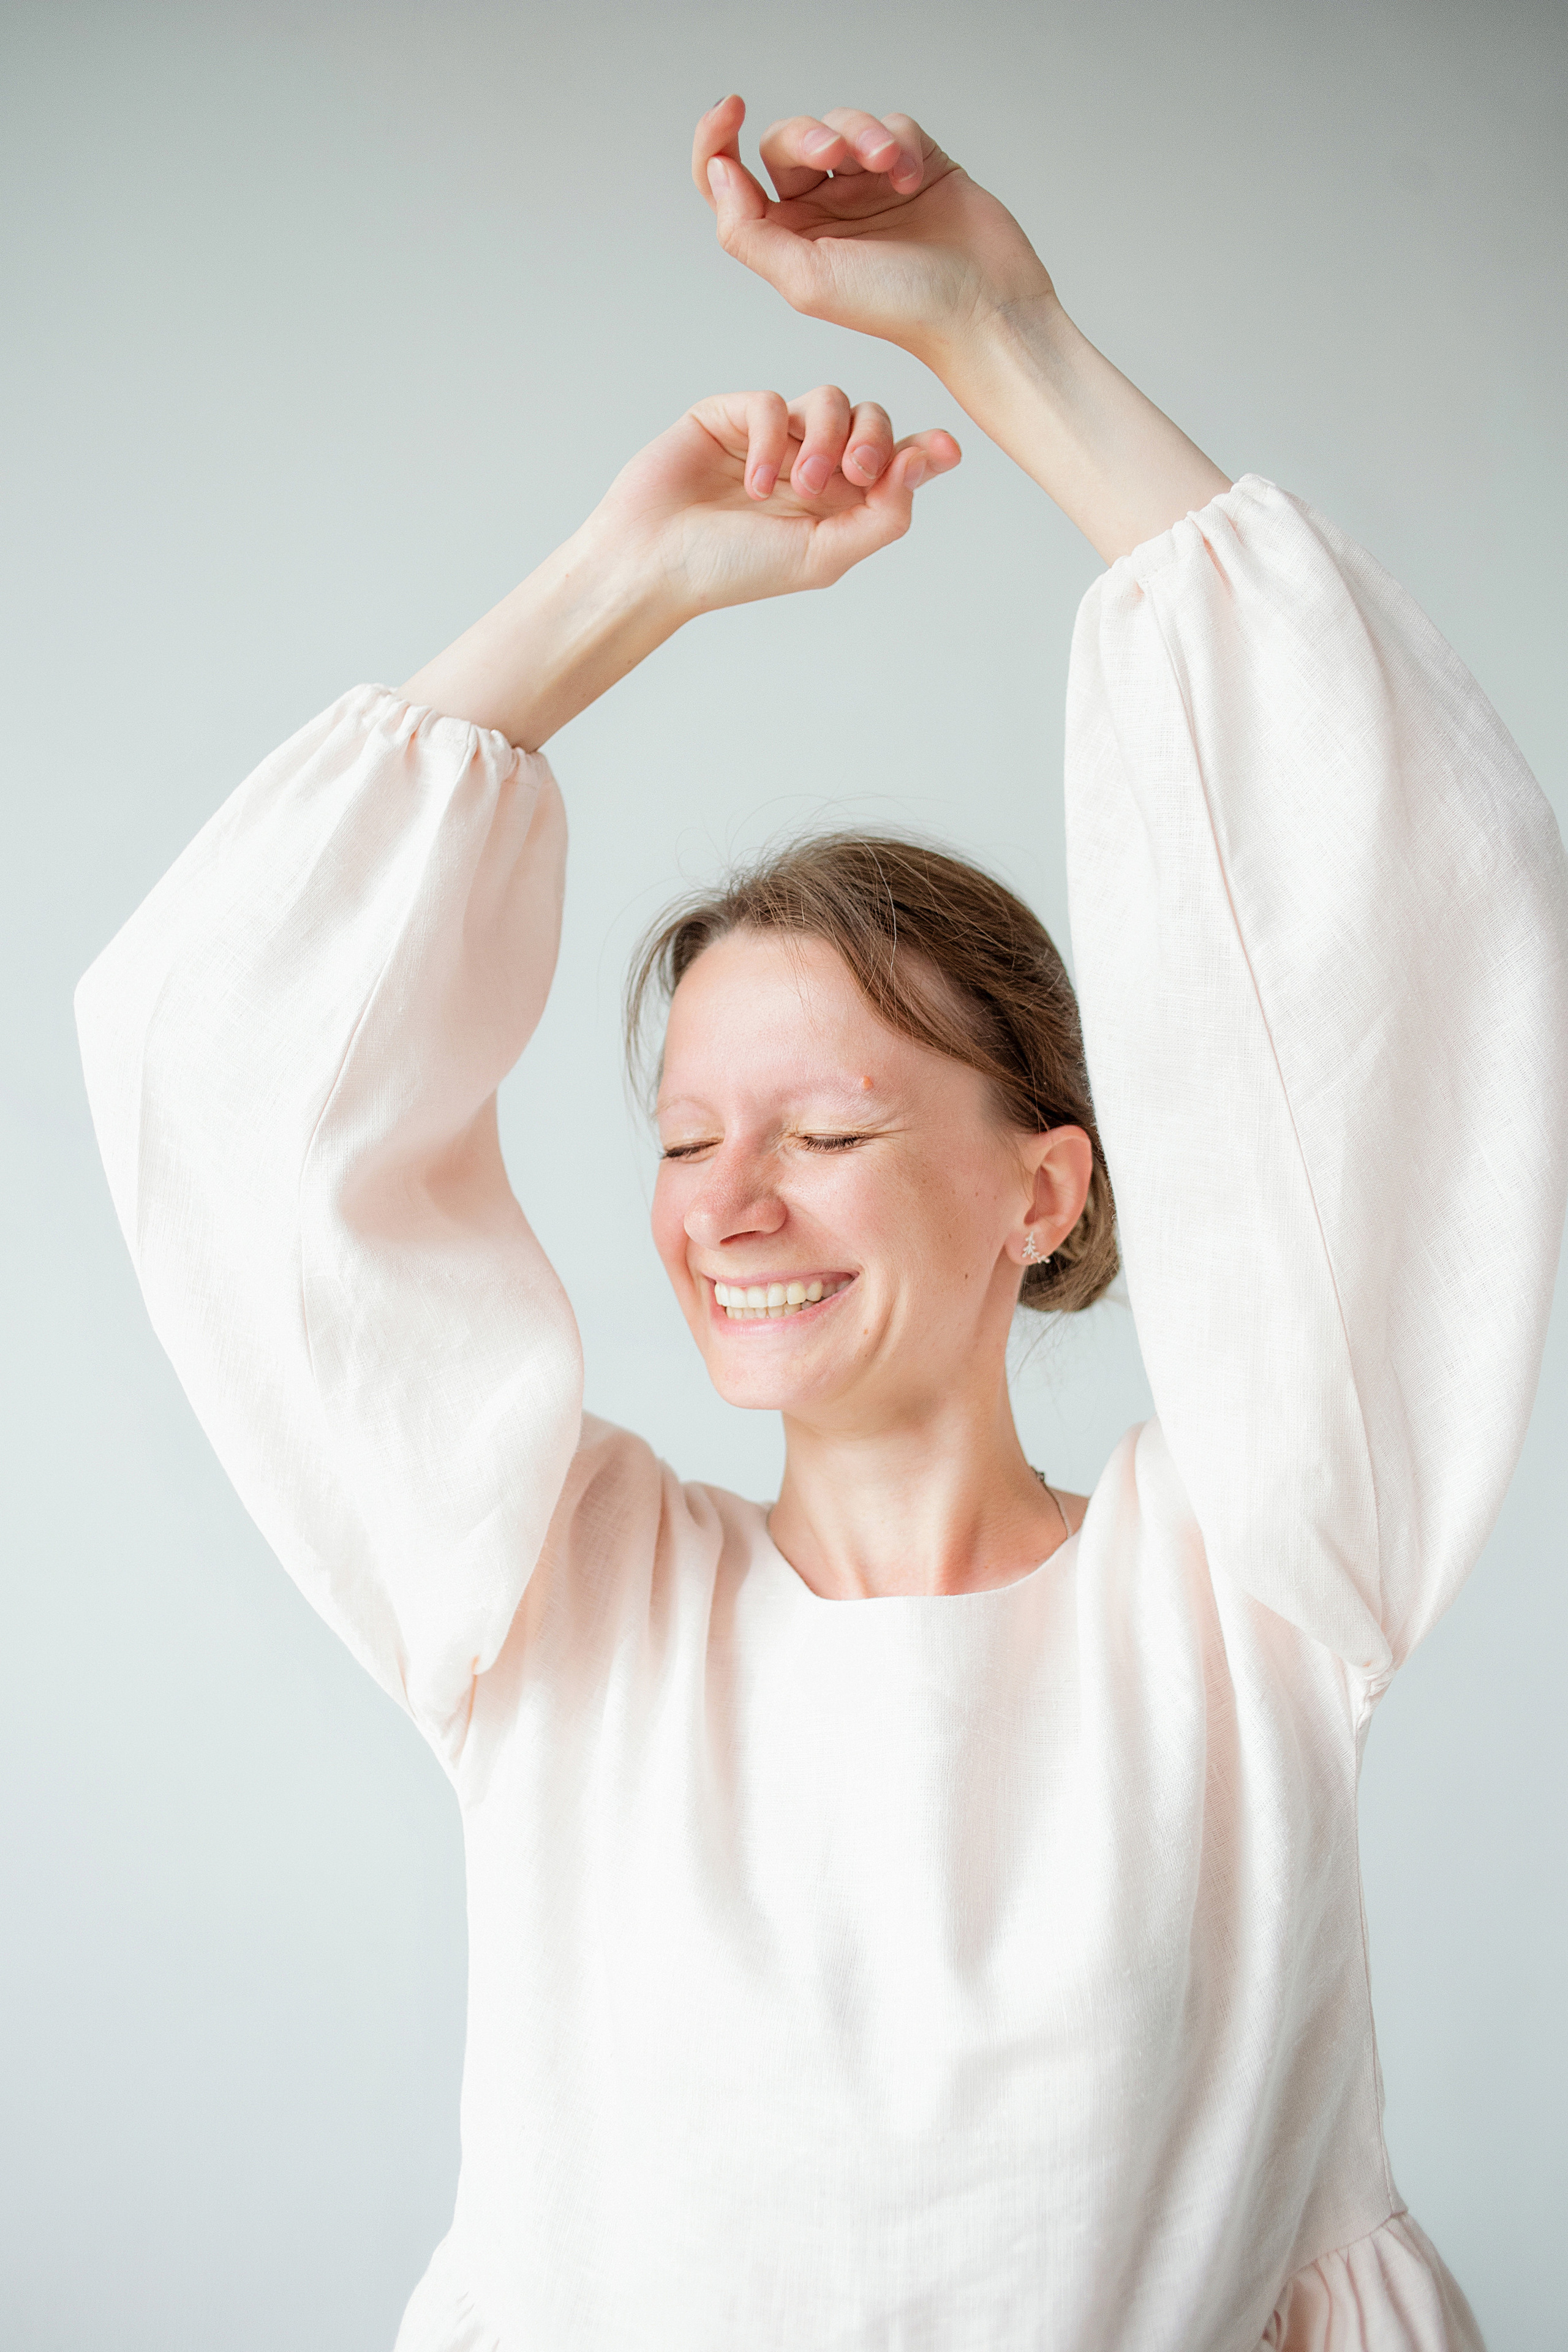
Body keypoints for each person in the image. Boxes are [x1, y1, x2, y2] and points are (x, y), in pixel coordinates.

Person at [75, 91, 1567, 2352]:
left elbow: (1394, 931)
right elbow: (222, 1062)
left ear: (1044, 1184)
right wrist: (614, 587)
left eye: (832, 1129)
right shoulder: (563, 1613)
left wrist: (1005, 338)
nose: (729, 1205)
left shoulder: (1251, 1587)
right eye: (684, 1141)